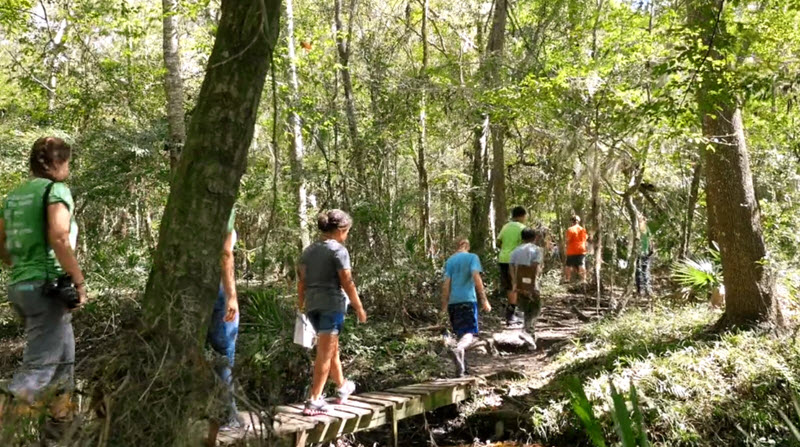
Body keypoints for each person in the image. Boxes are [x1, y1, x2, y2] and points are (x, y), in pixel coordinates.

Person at [0, 137, 86, 419]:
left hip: (21, 286)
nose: (68, 168)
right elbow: (60, 237)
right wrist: (79, 281)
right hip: (46, 288)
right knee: (38, 370)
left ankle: (60, 433)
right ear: (58, 163)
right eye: (67, 162)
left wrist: (21, 262)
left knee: (64, 363)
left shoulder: (14, 196)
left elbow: (1, 241)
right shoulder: (56, 190)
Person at [298, 210, 367, 415]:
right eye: (346, 232)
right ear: (339, 230)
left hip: (312, 306)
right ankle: (314, 399)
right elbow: (347, 281)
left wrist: (300, 304)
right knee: (325, 353)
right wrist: (359, 307)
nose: (346, 236)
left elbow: (302, 282)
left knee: (331, 348)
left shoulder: (308, 252)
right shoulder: (339, 251)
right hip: (331, 305)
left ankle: (342, 386)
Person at [206, 209, 242, 430]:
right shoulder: (224, 208)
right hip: (217, 288)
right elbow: (225, 253)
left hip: (191, 286)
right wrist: (231, 296)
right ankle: (228, 415)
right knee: (224, 353)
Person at [442, 238, 491, 377]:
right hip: (468, 301)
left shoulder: (449, 261)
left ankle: (462, 371)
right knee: (469, 333)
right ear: (466, 246)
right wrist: (484, 300)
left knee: (460, 334)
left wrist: (444, 306)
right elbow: (476, 277)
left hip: (453, 303)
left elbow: (446, 285)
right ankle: (459, 349)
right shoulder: (472, 258)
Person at [509, 228, 544, 348]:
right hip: (531, 284)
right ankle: (527, 331)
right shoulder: (536, 250)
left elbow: (512, 267)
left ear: (522, 238)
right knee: (535, 308)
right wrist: (532, 285)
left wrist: (515, 283)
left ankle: (530, 339)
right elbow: (534, 268)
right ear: (535, 238)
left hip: (519, 284)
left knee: (524, 307)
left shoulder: (515, 251)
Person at [497, 206, 527, 325]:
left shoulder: (506, 226)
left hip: (503, 259)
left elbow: (498, 242)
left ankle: (513, 313)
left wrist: (506, 249)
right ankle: (511, 315)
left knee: (509, 286)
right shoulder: (522, 228)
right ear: (522, 216)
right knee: (516, 286)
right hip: (516, 261)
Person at [563, 215, 588, 283]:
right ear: (578, 221)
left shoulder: (570, 229)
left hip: (572, 250)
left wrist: (566, 246)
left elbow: (568, 240)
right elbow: (586, 239)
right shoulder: (583, 229)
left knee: (568, 265)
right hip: (581, 249)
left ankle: (567, 279)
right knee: (581, 264)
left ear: (572, 221)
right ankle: (583, 280)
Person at [635, 216, 654, 297]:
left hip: (645, 253)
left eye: (643, 221)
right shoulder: (636, 229)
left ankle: (647, 290)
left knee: (645, 271)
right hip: (637, 253)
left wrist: (652, 249)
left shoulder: (646, 229)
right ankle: (639, 290)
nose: (642, 222)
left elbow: (650, 240)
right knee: (638, 272)